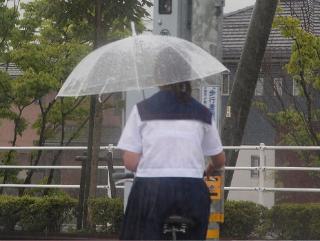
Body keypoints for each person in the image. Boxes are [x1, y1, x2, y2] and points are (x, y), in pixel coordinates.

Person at [117, 48, 225, 240]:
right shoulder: (202, 113)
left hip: (150, 189)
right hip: (192, 190)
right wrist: (209, 169)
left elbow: (130, 161)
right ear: (186, 76)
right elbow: (219, 159)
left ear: (158, 75)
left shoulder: (142, 110)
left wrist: (154, 161)